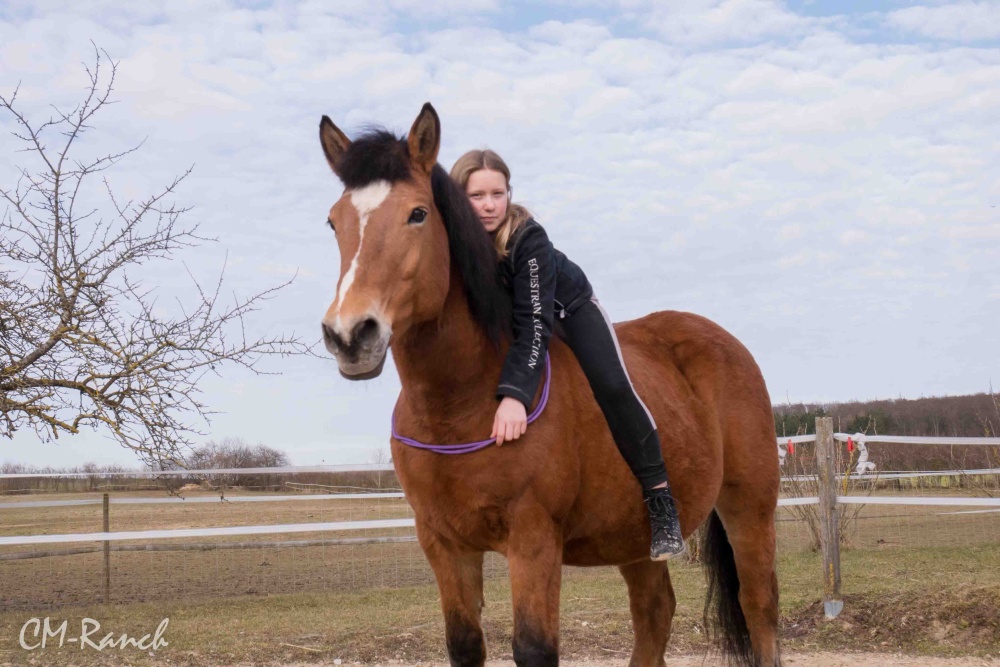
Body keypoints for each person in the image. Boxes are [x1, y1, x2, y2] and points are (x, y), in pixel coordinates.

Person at [450, 149, 686, 561]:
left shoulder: (528, 238)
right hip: (516, 319)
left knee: (613, 387)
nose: (489, 205)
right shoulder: (453, 242)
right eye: (476, 196)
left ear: (509, 194)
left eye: (497, 193)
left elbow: (535, 323)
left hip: (566, 311)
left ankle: (660, 501)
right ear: (457, 198)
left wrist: (515, 395)